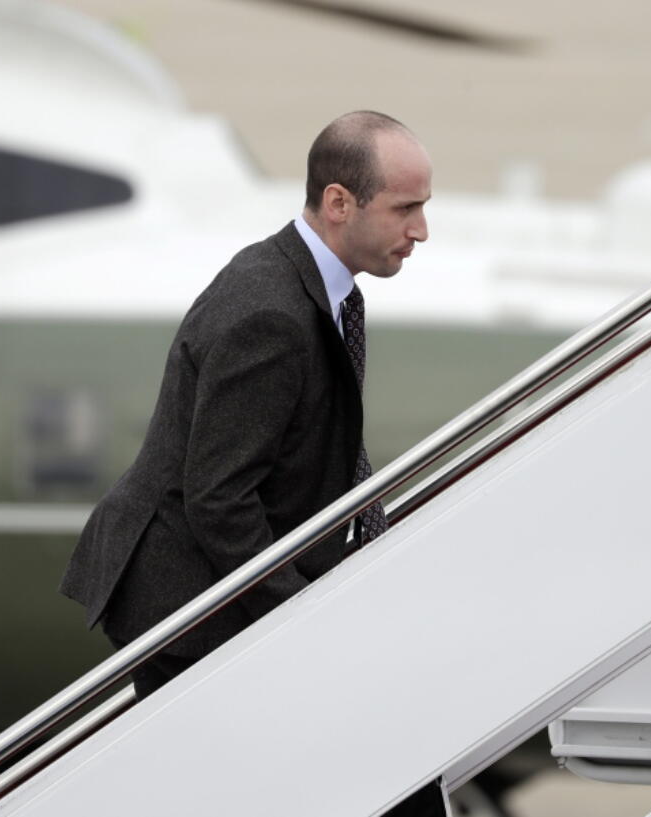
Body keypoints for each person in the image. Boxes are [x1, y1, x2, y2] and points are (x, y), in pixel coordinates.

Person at [60, 112, 446, 815]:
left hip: (218, 589)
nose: (420, 230)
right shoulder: (270, 311)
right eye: (406, 208)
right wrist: (304, 611)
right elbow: (219, 498)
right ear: (338, 202)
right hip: (190, 603)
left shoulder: (305, 286)